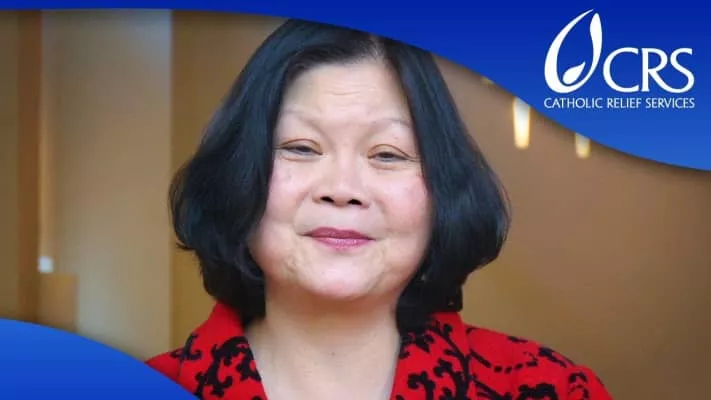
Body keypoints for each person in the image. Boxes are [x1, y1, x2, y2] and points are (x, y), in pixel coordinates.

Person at [146, 18, 613, 400]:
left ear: (442, 191)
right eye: (301, 148)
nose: (343, 189)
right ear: (237, 176)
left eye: (387, 154)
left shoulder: (549, 389)